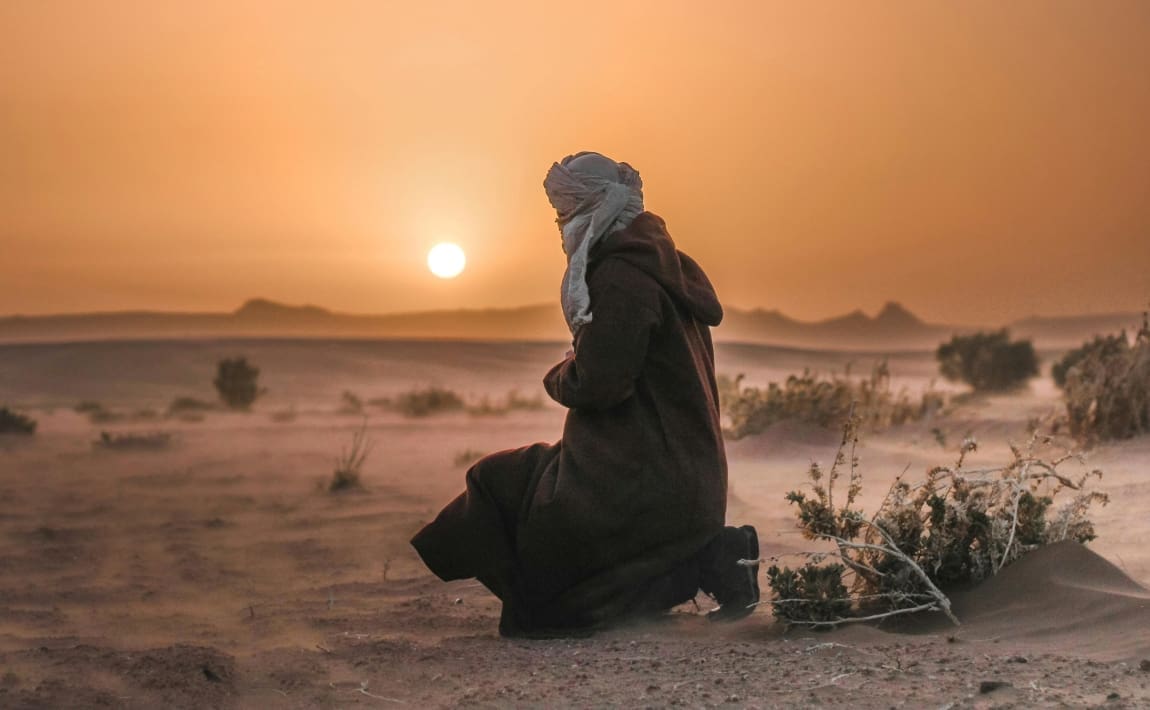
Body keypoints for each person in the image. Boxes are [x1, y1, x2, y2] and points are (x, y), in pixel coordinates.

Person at [410, 151, 759, 637]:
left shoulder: (622, 277)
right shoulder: (666, 267)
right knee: (519, 482)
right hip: (683, 476)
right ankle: (711, 559)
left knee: (498, 492)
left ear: (595, 210)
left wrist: (560, 374)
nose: (560, 227)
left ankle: (708, 561)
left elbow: (600, 383)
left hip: (644, 482)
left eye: (566, 213)